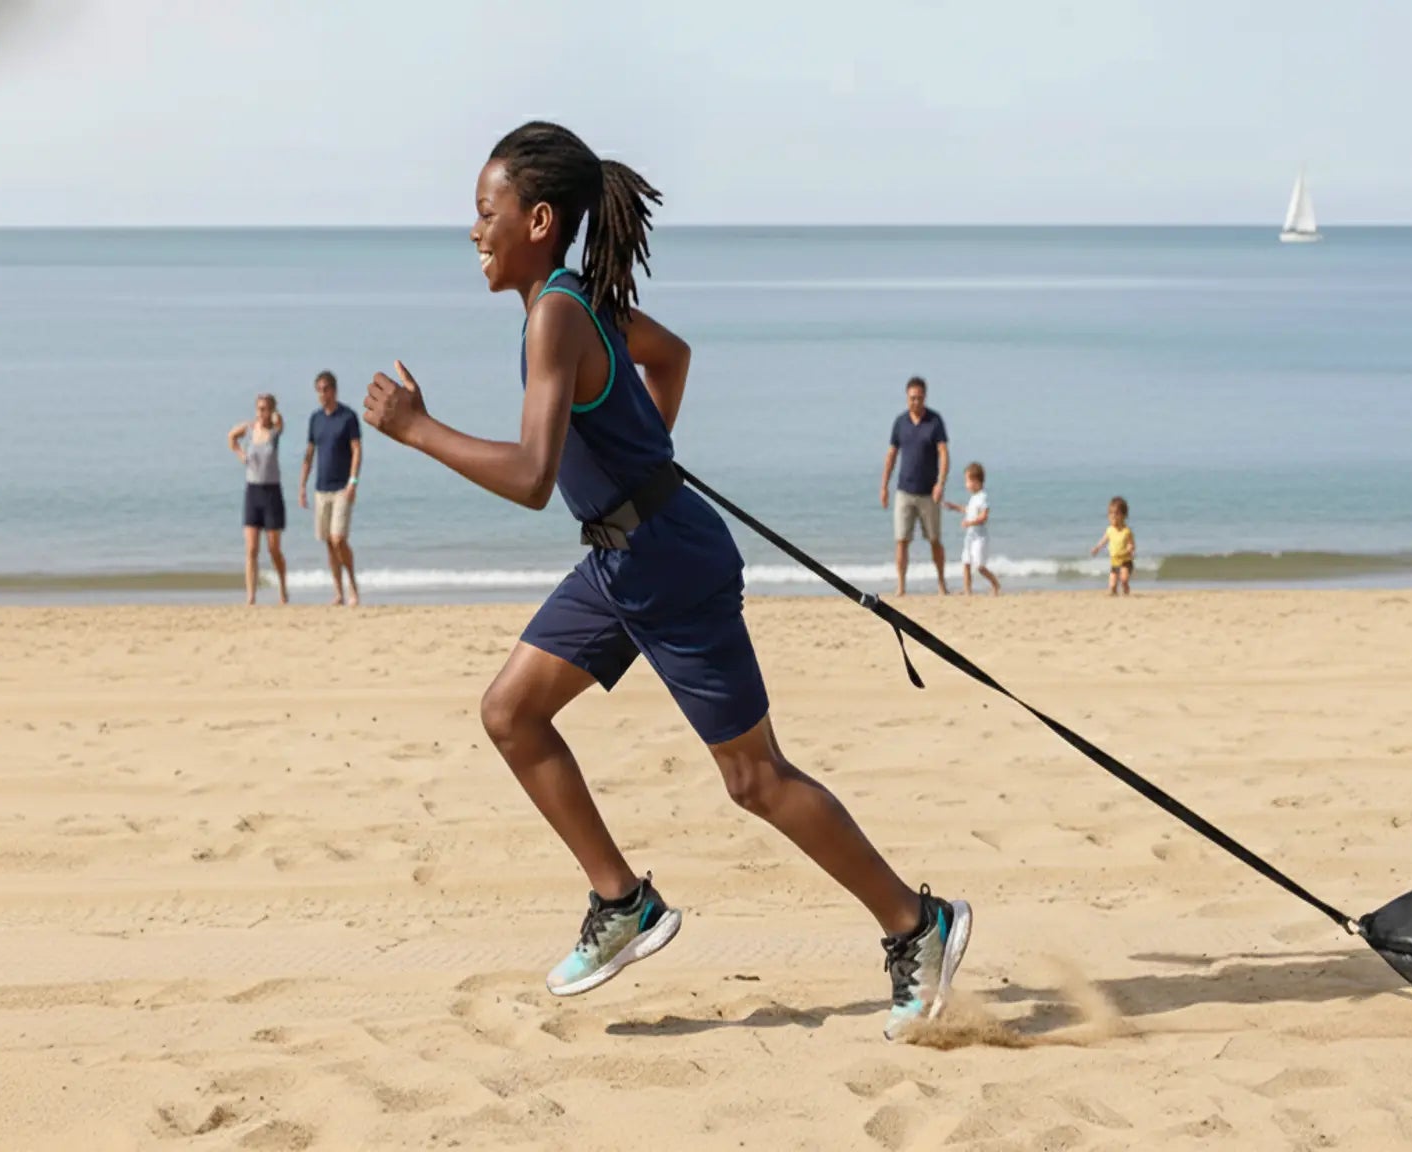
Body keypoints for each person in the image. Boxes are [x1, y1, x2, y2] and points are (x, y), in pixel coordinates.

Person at [358, 121, 971, 1040]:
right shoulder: (575, 302)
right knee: (511, 713)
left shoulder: (558, 313)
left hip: (666, 565)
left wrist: (416, 429)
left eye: (484, 214)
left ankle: (918, 925)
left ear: (536, 220)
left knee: (755, 778)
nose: (473, 232)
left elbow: (531, 477)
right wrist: (643, 462)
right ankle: (624, 902)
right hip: (622, 556)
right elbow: (672, 356)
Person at [878, 376, 949, 596]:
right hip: (904, 491)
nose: (915, 402)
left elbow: (944, 454)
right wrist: (884, 486)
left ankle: (941, 584)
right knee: (901, 540)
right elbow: (891, 455)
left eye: (919, 398)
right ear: (906, 398)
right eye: (911, 398)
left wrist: (940, 483)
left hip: (929, 493)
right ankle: (901, 586)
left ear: (925, 397)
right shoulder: (900, 422)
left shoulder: (935, 421)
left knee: (935, 540)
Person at [300, 371, 362, 606]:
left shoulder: (348, 417)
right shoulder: (315, 419)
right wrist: (302, 486)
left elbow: (356, 450)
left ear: (334, 390)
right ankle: (338, 593)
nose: (322, 394)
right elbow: (309, 454)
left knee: (338, 539)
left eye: (326, 389)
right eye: (319, 390)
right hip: (321, 488)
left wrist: (353, 481)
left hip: (342, 488)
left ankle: (353, 587)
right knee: (328, 541)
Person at [227, 393, 289, 605]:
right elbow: (231, 437)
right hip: (253, 492)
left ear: (271, 410)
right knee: (251, 549)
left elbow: (281, 424)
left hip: (272, 493)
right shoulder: (251, 430)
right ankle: (251, 596)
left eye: (266, 409)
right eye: (259, 408)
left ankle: (282, 589)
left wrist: (276, 417)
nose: (262, 413)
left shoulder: (275, 432)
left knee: (274, 549)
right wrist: (240, 454)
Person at [943, 461, 999, 596]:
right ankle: (967, 590)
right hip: (970, 536)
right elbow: (968, 510)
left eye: (967, 481)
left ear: (976, 481)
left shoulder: (983, 497)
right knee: (966, 562)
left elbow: (984, 516)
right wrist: (954, 507)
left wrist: (970, 523)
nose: (966, 484)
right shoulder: (973, 498)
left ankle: (995, 584)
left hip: (980, 537)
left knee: (979, 566)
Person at [1090, 495, 1136, 596]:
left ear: (1123, 515)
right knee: (1112, 585)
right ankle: (1114, 594)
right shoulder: (1109, 530)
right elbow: (1104, 540)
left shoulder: (1126, 531)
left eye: (1116, 513)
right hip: (1115, 561)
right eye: (1110, 513)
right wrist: (1097, 548)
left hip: (1125, 560)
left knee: (1123, 579)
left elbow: (1131, 544)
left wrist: (1131, 548)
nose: (1113, 516)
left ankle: (1126, 590)